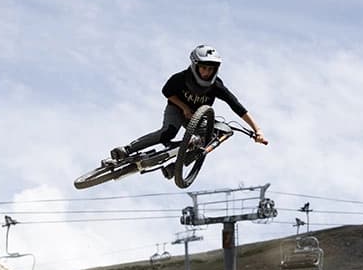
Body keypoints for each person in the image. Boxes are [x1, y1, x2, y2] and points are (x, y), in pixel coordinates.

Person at [110, 45, 267, 179]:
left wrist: (257, 130)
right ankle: (127, 150)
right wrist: (184, 108)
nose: (206, 72)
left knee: (219, 134)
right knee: (168, 133)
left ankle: (177, 165)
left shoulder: (216, 86)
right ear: (195, 66)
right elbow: (166, 92)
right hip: (177, 109)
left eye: (210, 69)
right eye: (204, 68)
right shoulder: (181, 78)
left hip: (196, 117)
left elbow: (237, 106)